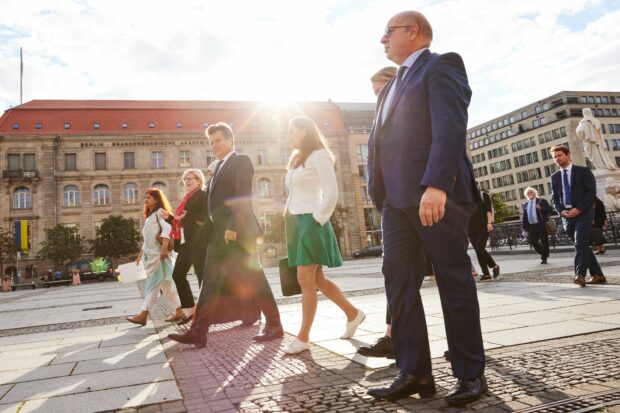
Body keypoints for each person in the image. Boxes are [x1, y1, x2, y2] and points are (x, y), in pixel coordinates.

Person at [366, 11, 486, 406]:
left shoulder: (441, 65)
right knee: (398, 286)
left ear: (412, 31)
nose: (383, 40)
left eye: (388, 32)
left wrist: (437, 184)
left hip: (434, 196)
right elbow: (381, 145)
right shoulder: (389, 86)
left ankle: (470, 374)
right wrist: (379, 197)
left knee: (453, 282)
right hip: (395, 204)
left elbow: (450, 126)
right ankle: (414, 371)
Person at [168, 122, 283, 348]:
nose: (215, 146)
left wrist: (233, 226)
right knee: (208, 283)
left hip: (236, 232)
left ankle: (275, 325)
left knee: (255, 278)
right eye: (211, 143)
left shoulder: (240, 161)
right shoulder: (218, 167)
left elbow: (242, 195)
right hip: (218, 236)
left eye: (218, 140)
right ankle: (198, 331)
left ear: (230, 139)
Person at [281, 116, 365, 355]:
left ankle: (303, 337)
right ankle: (352, 313)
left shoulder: (320, 155)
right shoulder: (297, 159)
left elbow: (331, 193)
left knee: (305, 280)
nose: (288, 135)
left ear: (305, 132)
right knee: (316, 280)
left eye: (292, 131)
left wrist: (316, 220)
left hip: (310, 221)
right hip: (296, 223)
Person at [358, 67, 398, 360]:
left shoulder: (409, 109)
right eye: (374, 92)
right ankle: (392, 336)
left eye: (380, 89)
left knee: (453, 276)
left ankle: (462, 341)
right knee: (395, 274)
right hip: (394, 205)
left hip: (421, 203)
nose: (377, 96)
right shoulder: (381, 116)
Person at [550, 145, 606, 286]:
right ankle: (598, 275)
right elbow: (555, 198)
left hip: (584, 213)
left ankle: (579, 274)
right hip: (566, 216)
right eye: (555, 157)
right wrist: (561, 211)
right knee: (583, 245)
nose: (557, 158)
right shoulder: (555, 177)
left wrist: (579, 209)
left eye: (560, 155)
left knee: (580, 242)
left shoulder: (583, 171)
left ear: (568, 155)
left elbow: (591, 192)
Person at [127, 189, 183, 326]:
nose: (146, 200)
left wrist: (164, 249)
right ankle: (180, 311)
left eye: (149, 197)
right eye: (145, 197)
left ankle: (143, 314)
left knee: (153, 284)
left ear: (157, 200)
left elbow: (167, 230)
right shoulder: (150, 217)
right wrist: (140, 254)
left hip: (159, 256)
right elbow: (148, 238)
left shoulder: (159, 213)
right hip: (151, 254)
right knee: (167, 285)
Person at [159, 169, 208, 323]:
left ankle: (205, 313)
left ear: (199, 180)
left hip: (199, 243)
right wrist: (169, 218)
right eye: (185, 179)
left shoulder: (203, 195)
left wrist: (189, 217)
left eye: (190, 178)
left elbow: (207, 218)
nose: (187, 181)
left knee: (202, 278)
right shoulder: (186, 198)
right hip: (186, 244)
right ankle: (191, 310)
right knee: (178, 275)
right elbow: (181, 221)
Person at [469, 188, 500, 280]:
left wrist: (489, 223)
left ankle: (494, 266)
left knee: (480, 249)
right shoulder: (464, 196)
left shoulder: (483, 195)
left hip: (483, 226)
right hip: (470, 228)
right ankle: (486, 274)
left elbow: (488, 210)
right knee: (478, 251)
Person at [521, 187, 553, 264]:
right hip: (531, 226)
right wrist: (524, 228)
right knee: (532, 241)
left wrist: (541, 208)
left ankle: (544, 258)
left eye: (531, 192)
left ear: (535, 193)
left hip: (541, 224)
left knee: (544, 241)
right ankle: (544, 253)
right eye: (528, 193)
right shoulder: (526, 204)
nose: (530, 193)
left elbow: (550, 209)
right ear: (526, 195)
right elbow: (524, 217)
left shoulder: (541, 201)